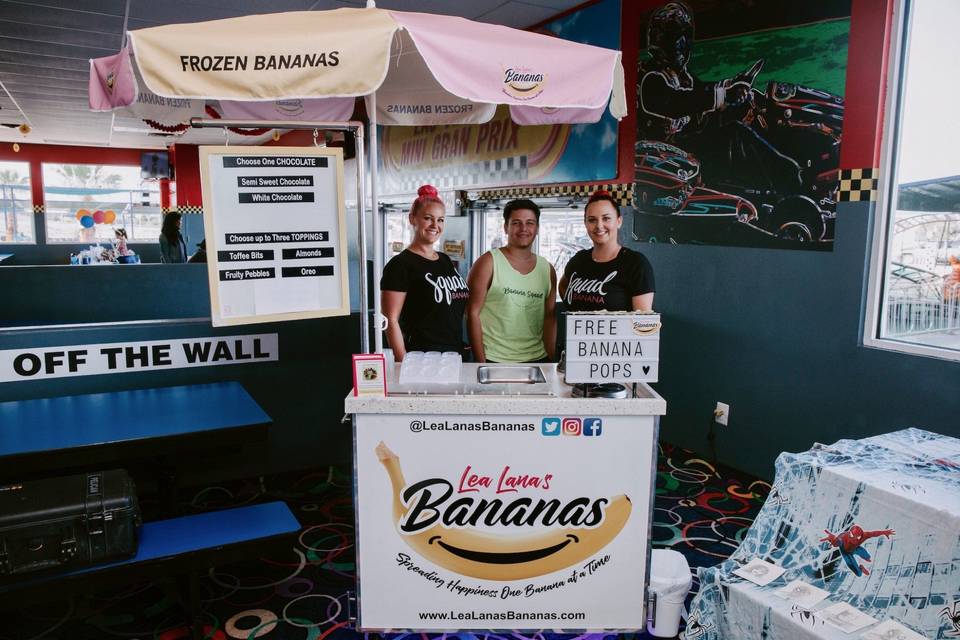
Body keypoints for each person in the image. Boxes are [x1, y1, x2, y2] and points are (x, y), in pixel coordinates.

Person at [637, 2, 801, 195]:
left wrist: (734, 86)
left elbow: (702, 91)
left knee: (741, 117)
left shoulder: (681, 77)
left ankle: (770, 180)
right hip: (662, 155)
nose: (679, 44)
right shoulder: (651, 78)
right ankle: (785, 181)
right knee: (734, 133)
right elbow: (678, 102)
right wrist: (725, 94)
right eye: (674, 38)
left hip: (680, 146)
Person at [380, 185, 469, 360]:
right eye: (428, 218)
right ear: (412, 219)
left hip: (454, 355)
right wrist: (403, 364)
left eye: (441, 220)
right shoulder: (400, 265)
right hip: (422, 358)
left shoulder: (444, 259)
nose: (435, 225)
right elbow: (391, 321)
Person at [467, 199, 556, 363]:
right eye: (516, 223)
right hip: (495, 359)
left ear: (537, 228)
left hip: (538, 359)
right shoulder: (488, 263)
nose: (523, 229)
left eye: (530, 223)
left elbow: (549, 318)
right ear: (505, 227)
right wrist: (481, 364)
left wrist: (551, 358)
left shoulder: (547, 269)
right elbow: (472, 314)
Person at [559, 190, 655, 312]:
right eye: (592, 220)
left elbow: (641, 323)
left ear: (619, 221)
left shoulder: (636, 263)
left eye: (606, 218)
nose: (599, 225)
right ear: (585, 223)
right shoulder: (579, 260)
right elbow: (562, 287)